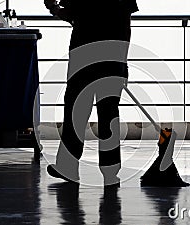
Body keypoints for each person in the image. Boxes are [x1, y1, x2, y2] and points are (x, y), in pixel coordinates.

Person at [44, 0, 139, 186]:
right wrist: (122, 63)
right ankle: (110, 172)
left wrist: (53, 8)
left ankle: (68, 166)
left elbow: (72, 14)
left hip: (84, 55)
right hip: (113, 58)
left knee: (76, 111)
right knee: (108, 113)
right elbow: (126, 26)